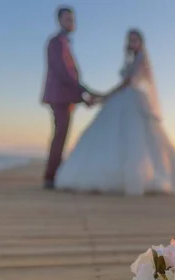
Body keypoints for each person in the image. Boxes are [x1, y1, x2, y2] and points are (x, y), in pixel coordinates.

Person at [55, 29, 175, 195]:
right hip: (124, 98)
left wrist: (103, 97)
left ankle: (142, 176)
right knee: (114, 136)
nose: (132, 43)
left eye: (135, 40)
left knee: (138, 138)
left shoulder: (141, 59)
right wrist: (102, 97)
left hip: (133, 99)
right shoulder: (133, 59)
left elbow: (127, 83)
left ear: (141, 42)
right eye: (130, 40)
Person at [41, 6, 98, 190]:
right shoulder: (56, 42)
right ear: (59, 21)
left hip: (65, 97)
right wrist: (83, 91)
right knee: (60, 135)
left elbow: (68, 74)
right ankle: (50, 177)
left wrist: (82, 94)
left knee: (61, 135)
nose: (72, 23)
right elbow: (64, 73)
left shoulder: (64, 42)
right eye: (68, 19)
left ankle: (53, 174)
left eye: (72, 19)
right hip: (60, 97)